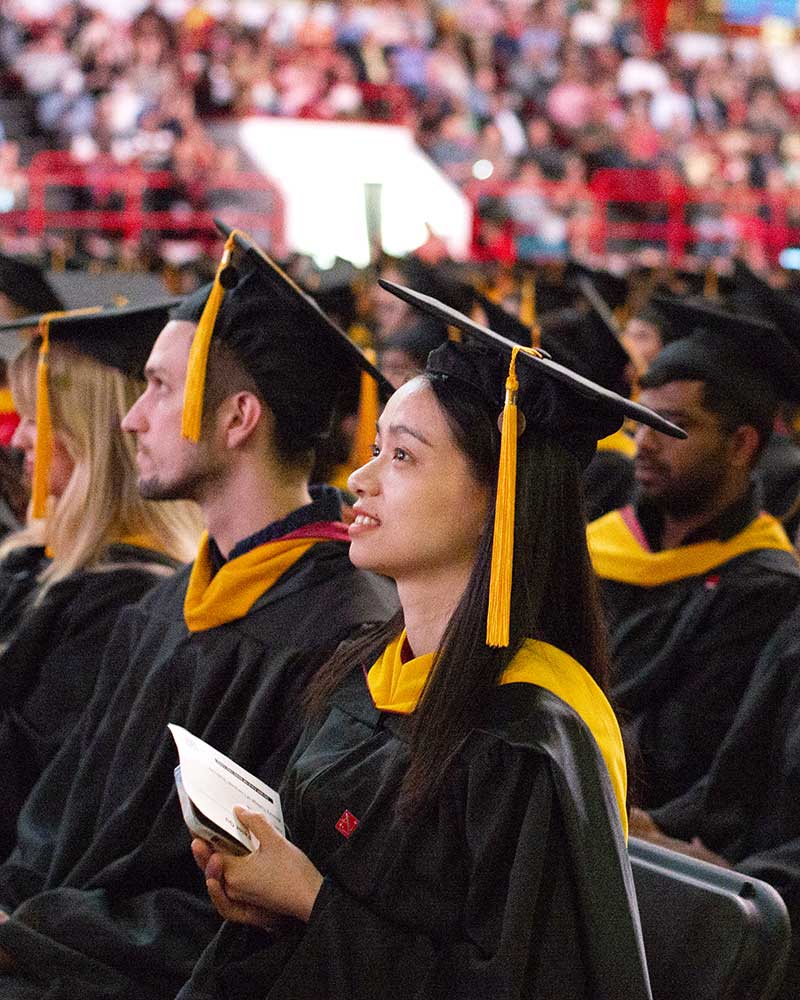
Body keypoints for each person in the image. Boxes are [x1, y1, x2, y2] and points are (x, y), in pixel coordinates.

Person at [177, 279, 686, 1000]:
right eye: (376, 448)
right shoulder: (364, 669)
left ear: (496, 501)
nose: (359, 479)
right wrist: (263, 896)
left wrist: (310, 901)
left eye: (403, 457)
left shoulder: (529, 737)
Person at [0, 229, 398, 1000]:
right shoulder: (167, 604)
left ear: (238, 418)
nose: (130, 418)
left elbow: (239, 911)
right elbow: (61, 820)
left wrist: (27, 939)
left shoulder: (343, 632)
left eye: (156, 387)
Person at [0, 302, 201, 859]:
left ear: (90, 436)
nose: (20, 440)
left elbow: (35, 790)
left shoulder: (128, 599)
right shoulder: (36, 559)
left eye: (39, 421)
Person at [588, 297, 800, 810]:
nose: (644, 443)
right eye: (642, 422)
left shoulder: (763, 586)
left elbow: (681, 752)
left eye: (672, 427)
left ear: (742, 444)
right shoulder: (600, 543)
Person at [630, 602, 800, 1000]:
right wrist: (661, 827)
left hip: (777, 910)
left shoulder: (764, 588)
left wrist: (742, 882)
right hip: (746, 885)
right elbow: (741, 764)